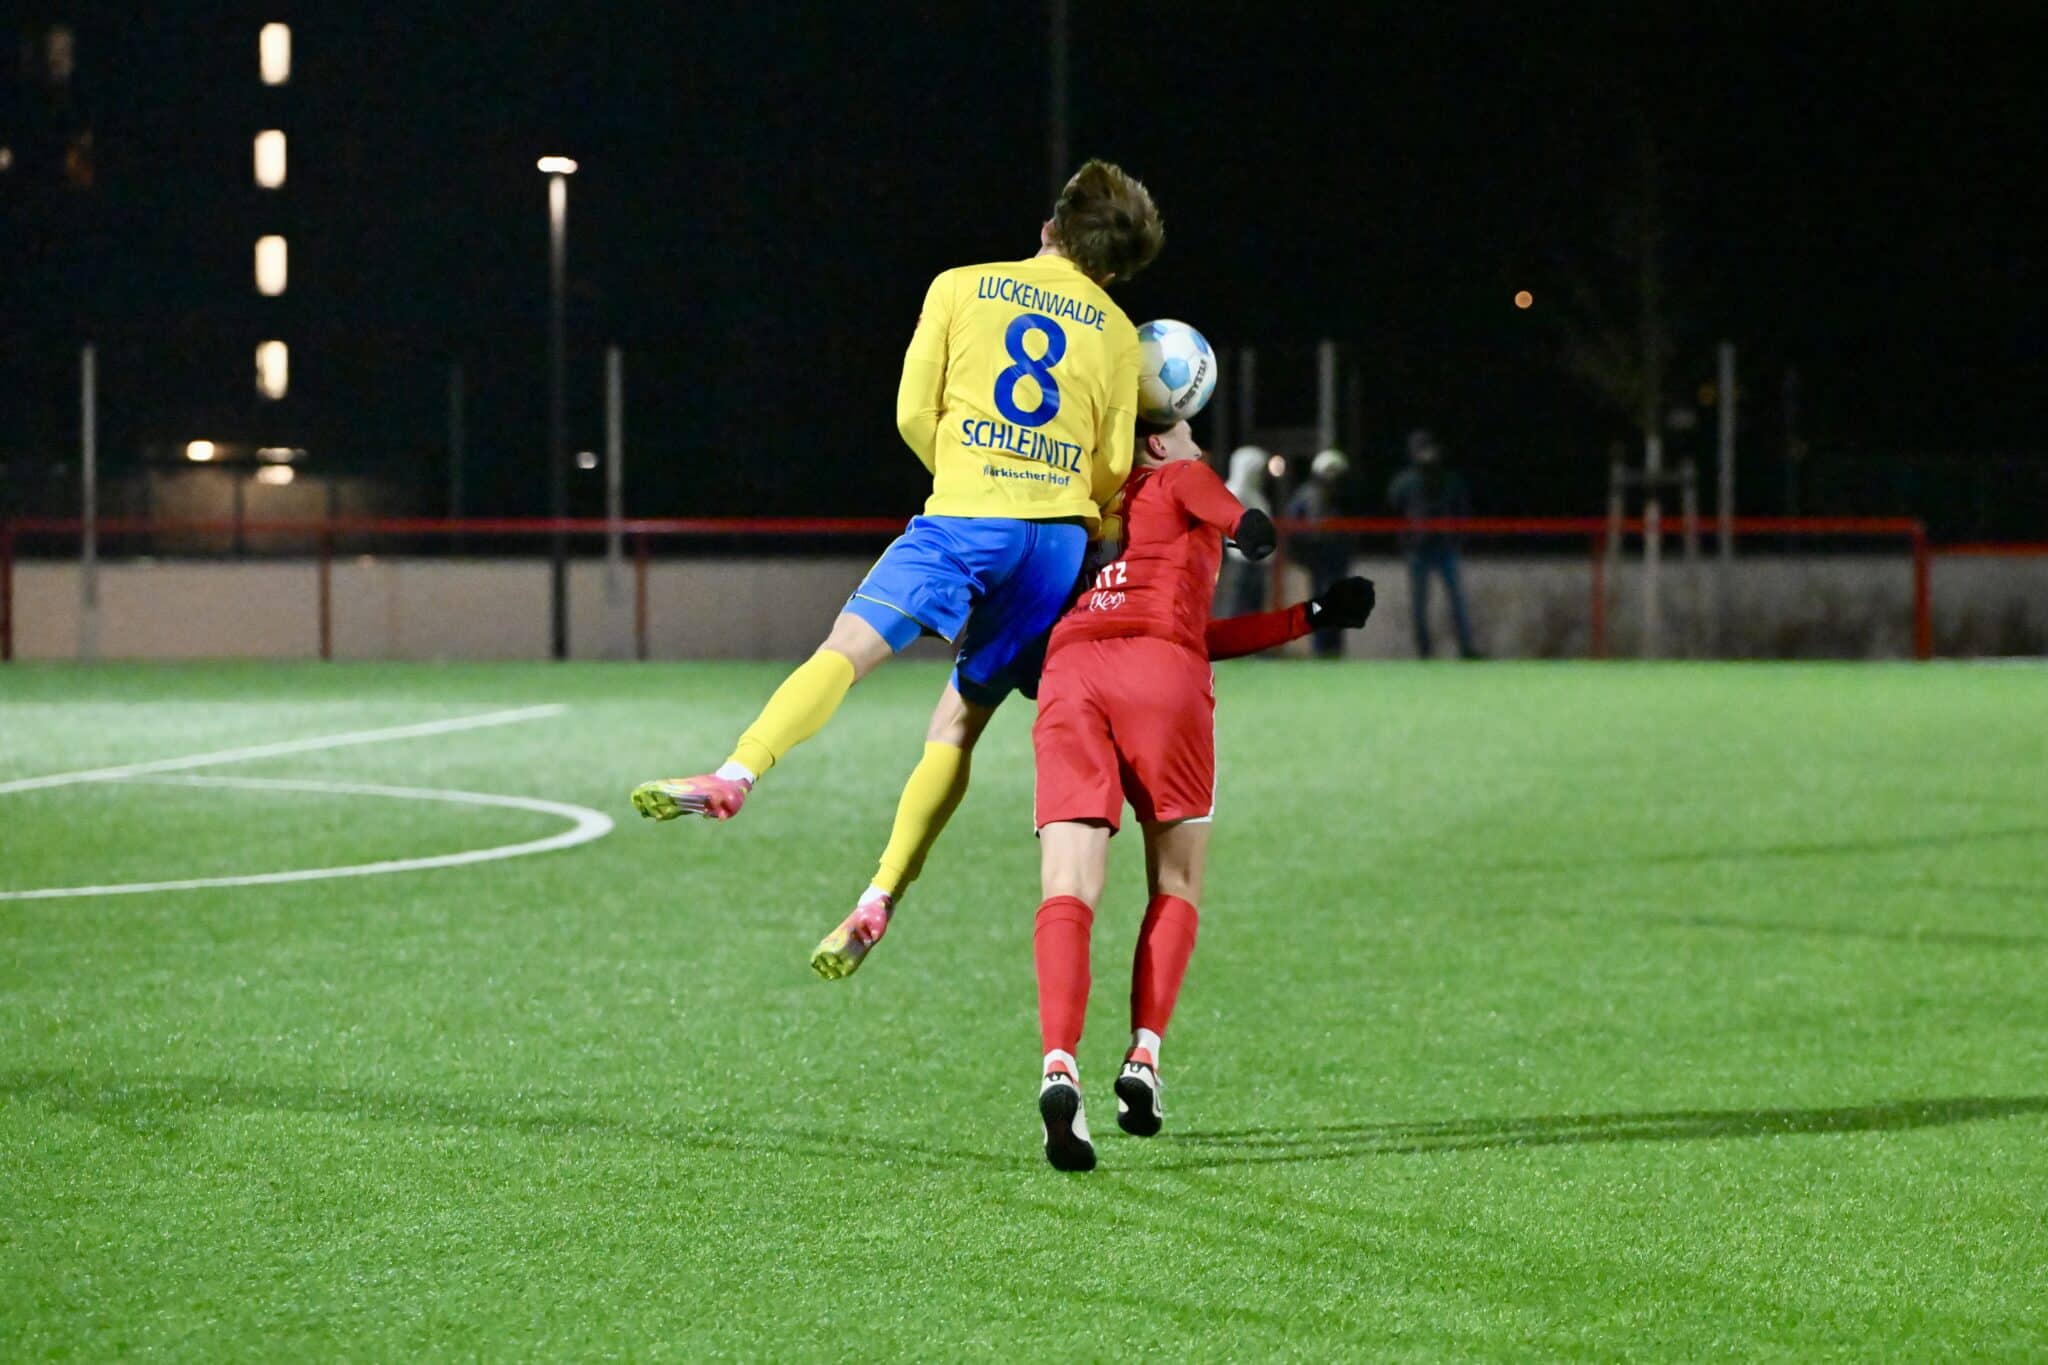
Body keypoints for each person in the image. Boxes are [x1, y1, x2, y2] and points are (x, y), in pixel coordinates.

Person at [629, 160, 1163, 939]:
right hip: (1053, 542)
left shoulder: (959, 285)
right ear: (1113, 267)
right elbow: (1112, 464)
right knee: (958, 724)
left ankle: (737, 771)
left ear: (1051, 224)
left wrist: (974, 469)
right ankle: (880, 893)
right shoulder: (1116, 330)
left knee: (844, 652)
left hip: (964, 515)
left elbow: (915, 412)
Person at [1028, 417, 1377, 1170]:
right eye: (1189, 428)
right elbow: (1228, 523)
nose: (1200, 445)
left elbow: (1191, 628)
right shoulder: (1178, 477)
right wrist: (1251, 526)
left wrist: (1308, 617)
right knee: (1177, 879)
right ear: (1157, 440)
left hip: (1069, 673)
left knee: (1068, 885)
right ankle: (1143, 1057)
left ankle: (1059, 1065)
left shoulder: (1088, 504)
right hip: (1160, 678)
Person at [1386, 428, 1480, 659]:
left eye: (1429, 448)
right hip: (1418, 550)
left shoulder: (1449, 479)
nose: (1426, 454)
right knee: (1419, 606)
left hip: (1446, 548)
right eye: (1421, 449)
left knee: (1457, 602)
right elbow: (1392, 511)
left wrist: (1458, 538)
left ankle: (1466, 649)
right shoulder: (1405, 481)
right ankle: (1424, 653)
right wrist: (1405, 541)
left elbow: (1462, 510)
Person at [1285, 448, 1353, 658]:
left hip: (1336, 559)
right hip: (1318, 559)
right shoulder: (1307, 496)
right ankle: (1321, 650)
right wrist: (1303, 553)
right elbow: (1293, 527)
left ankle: (1334, 650)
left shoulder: (1341, 498)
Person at [1215, 446, 1272, 619]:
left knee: (1254, 608)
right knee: (1236, 604)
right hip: (1239, 560)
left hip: (1257, 560)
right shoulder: (1234, 492)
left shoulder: (1256, 496)